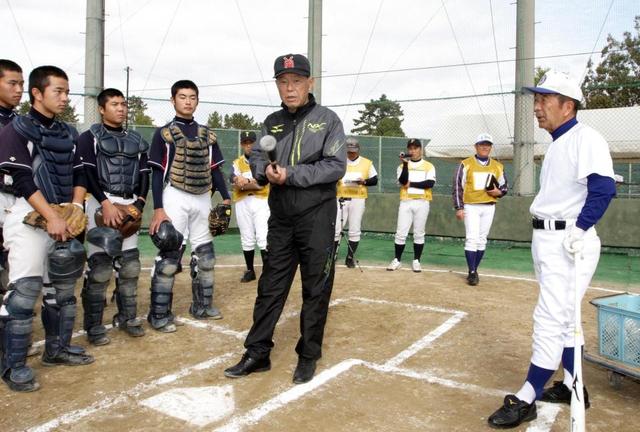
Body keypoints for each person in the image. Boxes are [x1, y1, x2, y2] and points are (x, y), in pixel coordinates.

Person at [488, 70, 616, 428]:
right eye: (537, 100)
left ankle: (527, 395)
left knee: (549, 318)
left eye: (544, 100)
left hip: (568, 242)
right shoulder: (559, 141)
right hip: (549, 238)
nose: (537, 108)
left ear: (568, 105)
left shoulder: (585, 137)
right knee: (562, 319)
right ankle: (574, 385)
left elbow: (603, 189)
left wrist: (579, 228)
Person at [224, 53, 346, 384]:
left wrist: (288, 174)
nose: (289, 89)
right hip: (281, 218)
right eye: (283, 82)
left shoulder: (328, 120)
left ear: (310, 83)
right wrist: (264, 171)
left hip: (317, 216)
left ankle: (308, 355)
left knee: (315, 288)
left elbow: (335, 165)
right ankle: (257, 352)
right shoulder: (272, 122)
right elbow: (259, 157)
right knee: (270, 286)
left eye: (296, 81)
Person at [0, 65, 94, 392]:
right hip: (28, 212)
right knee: (25, 290)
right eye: (59, 91)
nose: (65, 98)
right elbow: (23, 179)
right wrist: (51, 217)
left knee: (63, 290)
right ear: (37, 93)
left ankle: (57, 348)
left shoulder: (70, 134)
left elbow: (81, 174)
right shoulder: (17, 128)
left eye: (68, 92)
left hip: (63, 213)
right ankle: (13, 366)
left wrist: (75, 209)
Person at [147, 80, 230, 333]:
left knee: (206, 256)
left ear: (197, 100)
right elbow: (156, 172)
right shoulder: (164, 134)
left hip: (202, 196)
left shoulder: (208, 134)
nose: (187, 101)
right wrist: (159, 209)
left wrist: (225, 198)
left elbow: (216, 170)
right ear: (173, 100)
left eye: (192, 97)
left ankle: (202, 306)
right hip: (175, 195)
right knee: (170, 257)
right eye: (182, 97)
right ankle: (158, 313)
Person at [76, 88, 150, 345]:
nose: (121, 108)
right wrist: (106, 204)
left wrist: (139, 203)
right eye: (115, 104)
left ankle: (127, 318)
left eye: (123, 104)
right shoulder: (89, 138)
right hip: (101, 202)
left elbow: (144, 174)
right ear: (101, 108)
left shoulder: (137, 140)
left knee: (130, 266)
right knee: (100, 268)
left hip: (129, 202)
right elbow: (86, 173)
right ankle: (94, 326)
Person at [452, 133, 508, 286]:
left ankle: (474, 269)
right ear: (476, 146)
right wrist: (459, 207)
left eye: (488, 144)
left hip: (489, 206)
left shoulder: (498, 166)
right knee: (472, 238)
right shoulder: (466, 164)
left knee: (482, 239)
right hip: (471, 206)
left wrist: (499, 192)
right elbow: (458, 187)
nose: (485, 147)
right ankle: (471, 272)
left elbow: (504, 186)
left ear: (490, 147)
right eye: (482, 144)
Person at [387, 138, 436, 273]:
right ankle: (397, 260)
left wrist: (412, 184)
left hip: (422, 202)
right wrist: (406, 165)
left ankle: (416, 261)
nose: (413, 151)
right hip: (406, 201)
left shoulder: (428, 166)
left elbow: (429, 183)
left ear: (420, 149)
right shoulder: (402, 166)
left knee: (419, 233)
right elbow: (403, 181)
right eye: (410, 148)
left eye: (415, 148)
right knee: (401, 233)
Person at [230, 130, 269, 283]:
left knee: (263, 236)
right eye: (245, 143)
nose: (249, 146)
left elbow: (261, 184)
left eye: (251, 142)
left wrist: (244, 182)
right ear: (242, 145)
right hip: (242, 201)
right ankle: (250, 270)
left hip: (261, 200)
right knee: (246, 236)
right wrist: (237, 179)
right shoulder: (237, 162)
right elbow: (231, 177)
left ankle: (267, 272)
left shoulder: (263, 161)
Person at [0, 60, 24, 296]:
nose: (18, 90)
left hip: (17, 194)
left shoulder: (21, 122)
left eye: (21, 84)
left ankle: (13, 305)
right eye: (12, 83)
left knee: (15, 254)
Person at [334, 137, 378, 268]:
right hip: (341, 198)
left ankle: (350, 257)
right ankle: (333, 255)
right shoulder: (339, 161)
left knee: (354, 229)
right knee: (336, 229)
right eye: (348, 151)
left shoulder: (367, 163)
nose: (351, 153)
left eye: (353, 150)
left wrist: (364, 181)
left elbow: (375, 180)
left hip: (358, 199)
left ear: (358, 150)